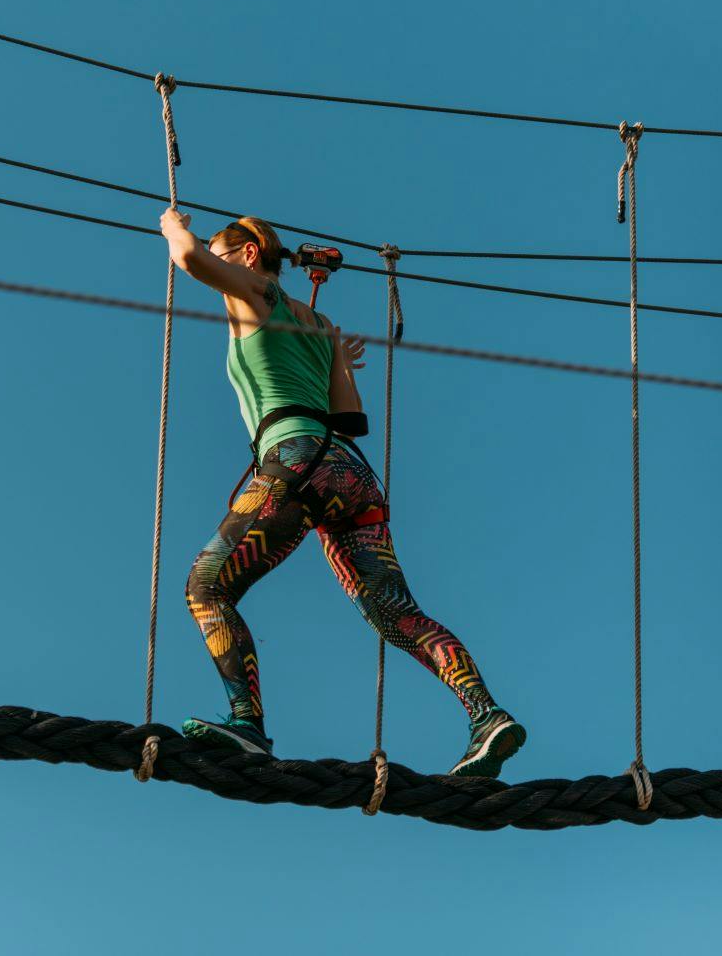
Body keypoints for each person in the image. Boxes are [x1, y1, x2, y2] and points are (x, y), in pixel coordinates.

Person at [158, 208, 527, 778]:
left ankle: (247, 723)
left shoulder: (260, 293)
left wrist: (172, 227)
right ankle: (485, 714)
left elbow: (187, 259)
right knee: (394, 612)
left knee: (204, 588)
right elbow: (350, 416)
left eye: (224, 254)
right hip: (349, 475)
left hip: (295, 461)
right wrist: (335, 357)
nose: (218, 268)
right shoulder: (322, 326)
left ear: (250, 256)